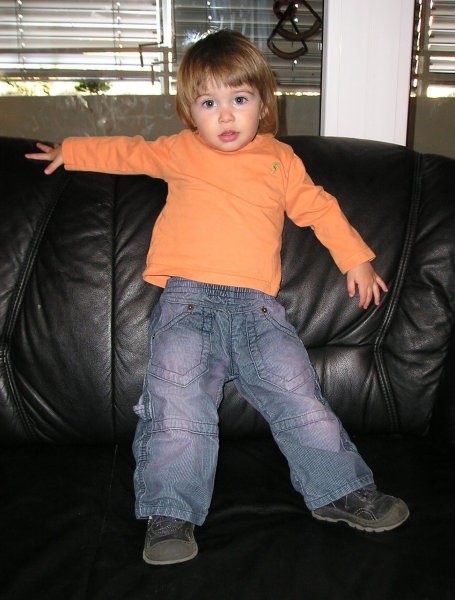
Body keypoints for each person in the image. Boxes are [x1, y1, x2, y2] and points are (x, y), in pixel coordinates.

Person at [26, 29, 409, 566]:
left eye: (239, 98)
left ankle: (339, 490)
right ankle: (171, 513)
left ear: (263, 105)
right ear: (191, 112)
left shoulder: (280, 160)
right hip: (188, 305)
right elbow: (128, 152)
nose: (225, 115)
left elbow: (319, 208)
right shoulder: (180, 150)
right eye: (209, 103)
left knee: (300, 398)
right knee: (177, 405)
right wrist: (70, 150)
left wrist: (356, 258)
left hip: (259, 310)